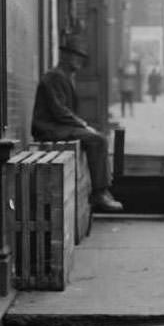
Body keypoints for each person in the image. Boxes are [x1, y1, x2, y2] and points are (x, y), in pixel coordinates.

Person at [32, 34, 123, 212]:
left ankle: (103, 189)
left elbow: (63, 112)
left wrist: (81, 125)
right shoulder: (54, 77)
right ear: (65, 56)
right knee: (98, 140)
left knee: (97, 137)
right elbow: (59, 111)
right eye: (76, 56)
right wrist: (82, 124)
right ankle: (99, 193)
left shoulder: (63, 77)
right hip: (49, 129)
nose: (80, 61)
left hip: (57, 127)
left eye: (81, 57)